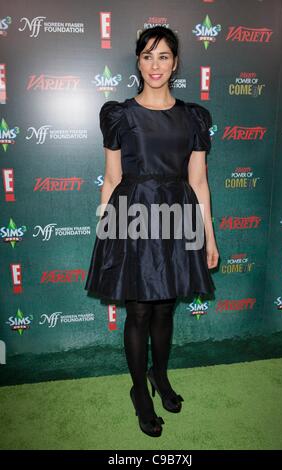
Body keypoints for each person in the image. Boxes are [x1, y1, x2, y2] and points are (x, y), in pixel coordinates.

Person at [84, 26, 219, 437]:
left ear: (175, 63)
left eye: (163, 56)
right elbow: (111, 178)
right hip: (132, 217)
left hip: (177, 218)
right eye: (147, 55)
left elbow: (198, 183)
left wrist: (209, 238)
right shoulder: (119, 115)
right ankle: (139, 390)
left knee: (165, 308)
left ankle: (160, 378)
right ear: (138, 62)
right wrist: (108, 234)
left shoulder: (193, 117)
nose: (155, 64)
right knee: (139, 310)